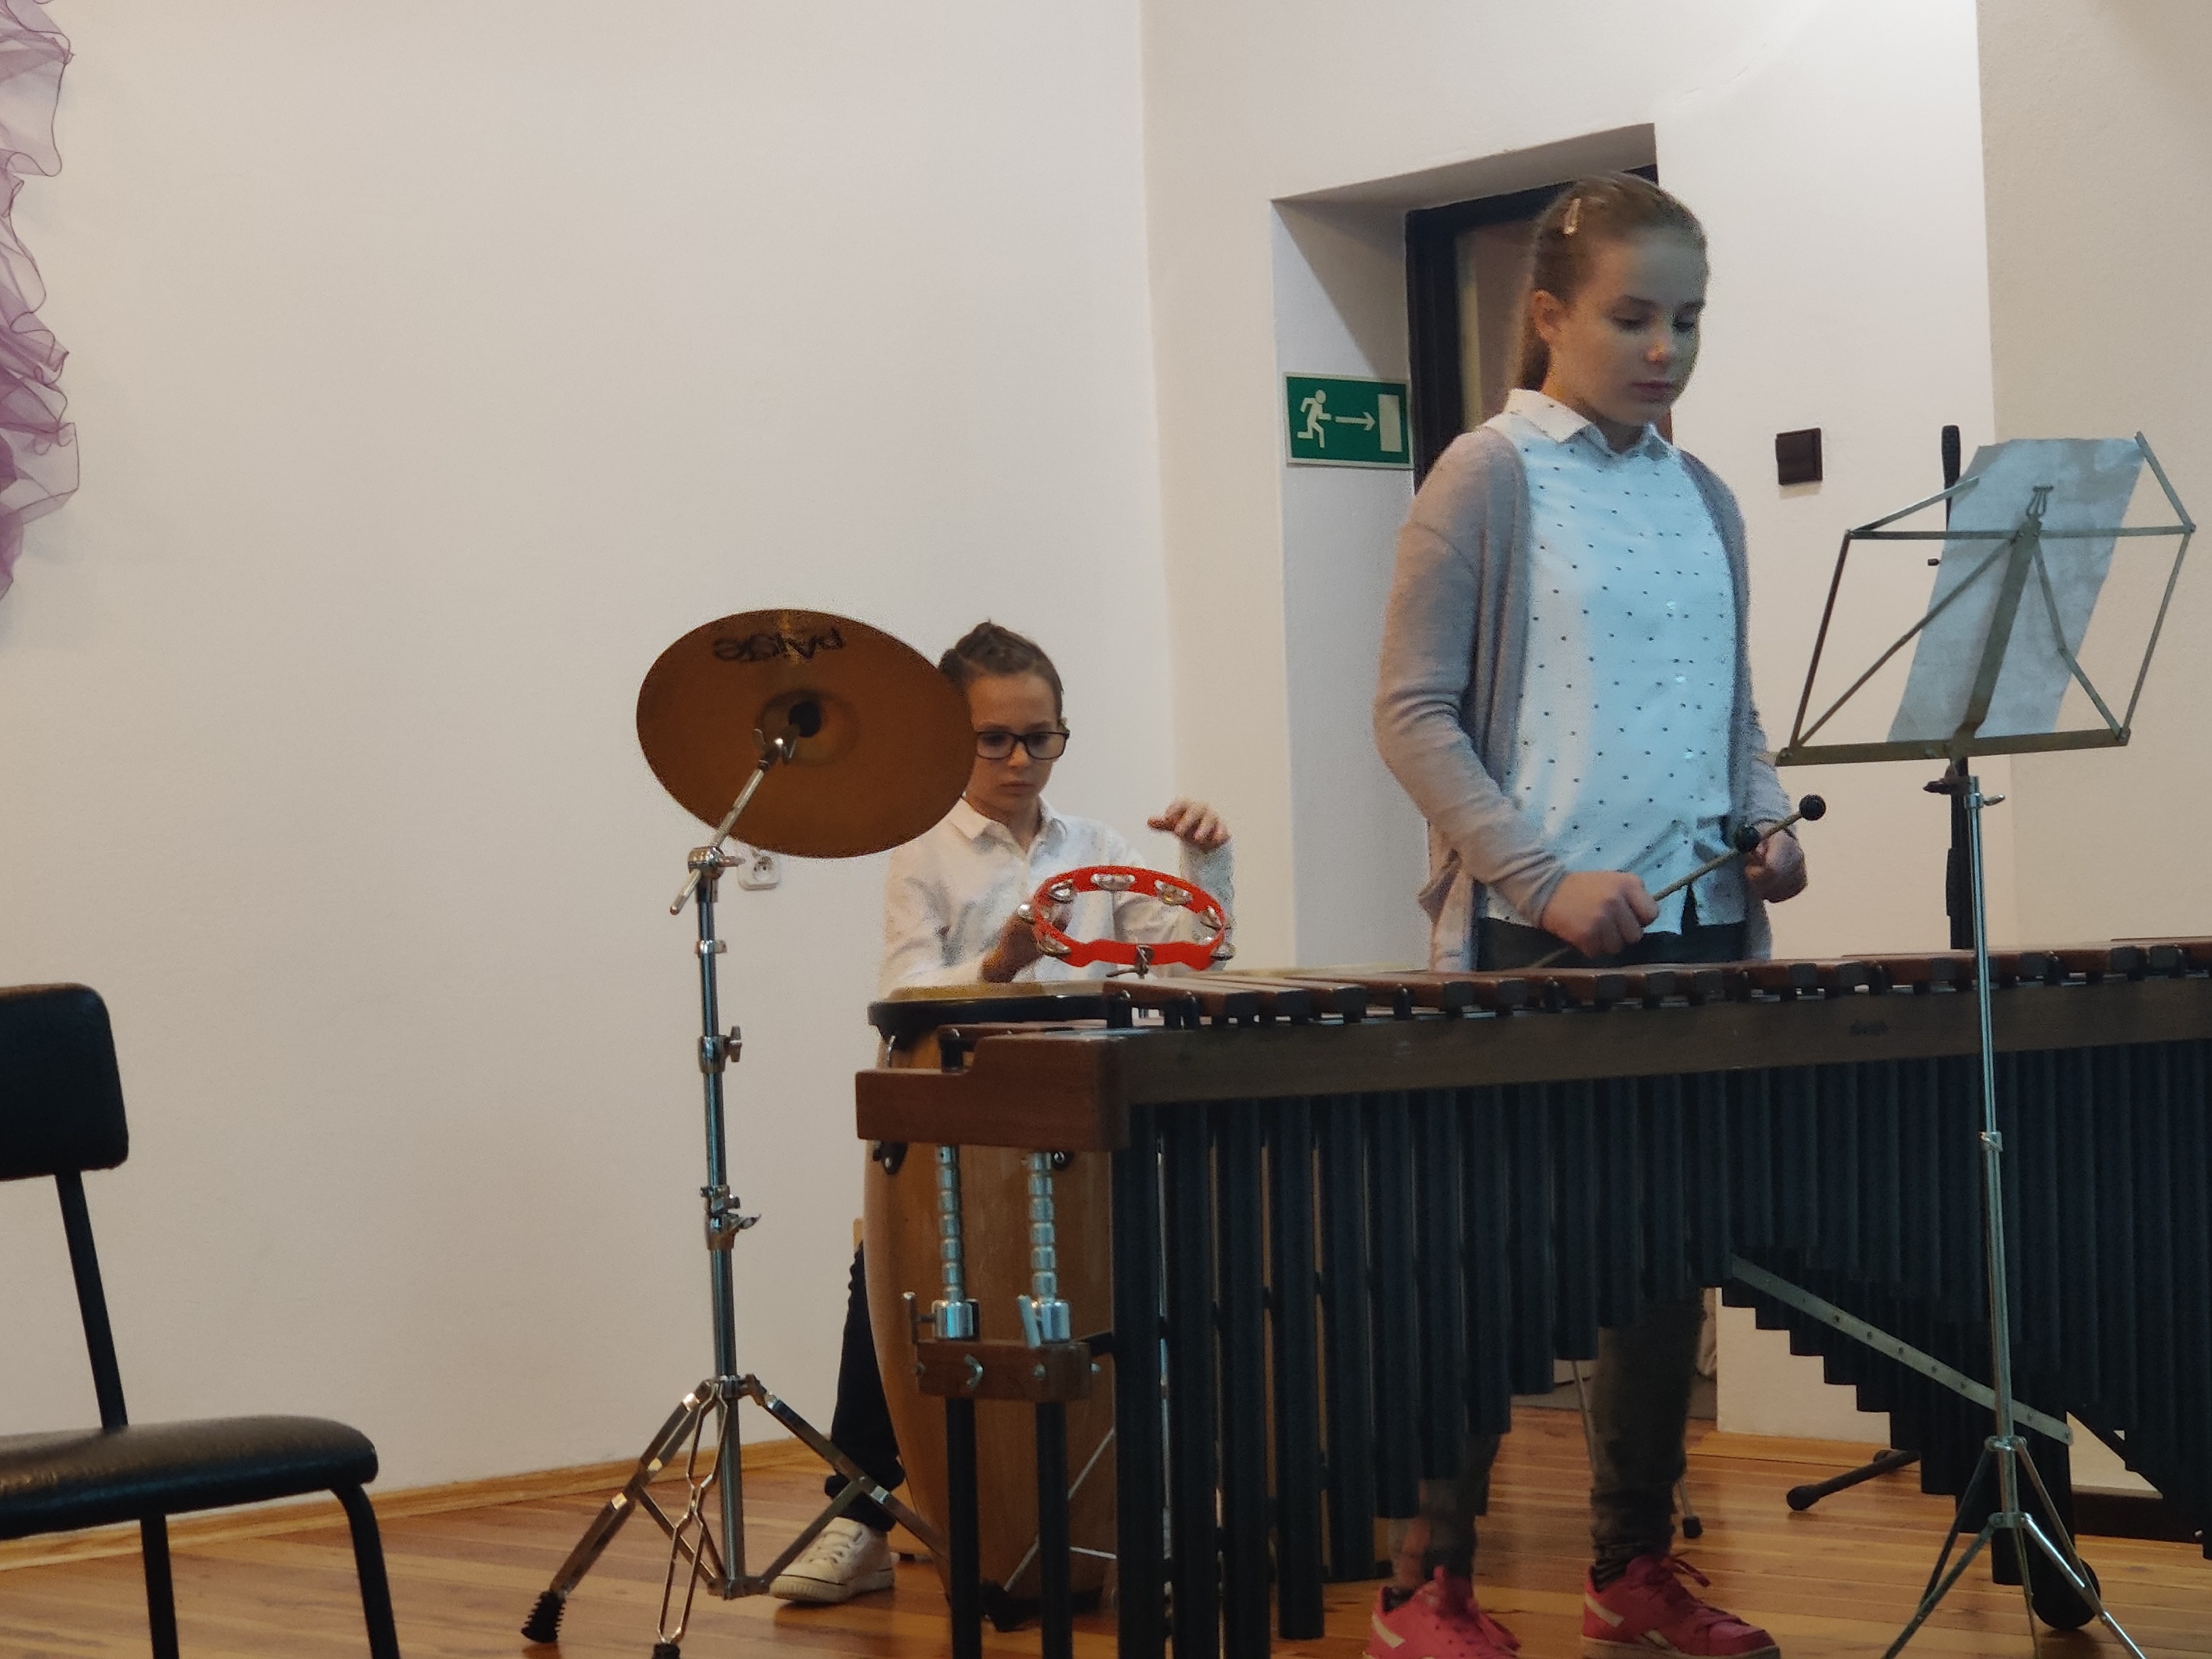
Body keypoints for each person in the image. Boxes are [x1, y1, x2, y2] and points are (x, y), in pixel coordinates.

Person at [1370, 173, 1806, 1659]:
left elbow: (1730, 714)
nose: (1665, 348)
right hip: (1529, 942)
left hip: (1697, 936)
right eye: (1632, 317)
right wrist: (1538, 879)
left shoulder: (1706, 497)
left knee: (1661, 1269)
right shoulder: (1486, 476)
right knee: (1498, 1263)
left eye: (1688, 319)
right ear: (1551, 315)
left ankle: (1633, 1566)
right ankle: (1427, 1585)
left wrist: (1761, 823)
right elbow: (1413, 713)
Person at [770, 619, 1233, 1603]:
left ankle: (1133, 1505)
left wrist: (1208, 865)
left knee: (1144, 1281)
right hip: (962, 1126)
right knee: (884, 1280)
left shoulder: (1097, 848)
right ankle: (861, 1515)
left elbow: (1198, 954)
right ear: (954, 740)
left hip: (1086, 1128)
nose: (1021, 760)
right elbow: (905, 990)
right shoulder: (921, 849)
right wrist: (999, 964)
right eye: (995, 740)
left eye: (1041, 737)